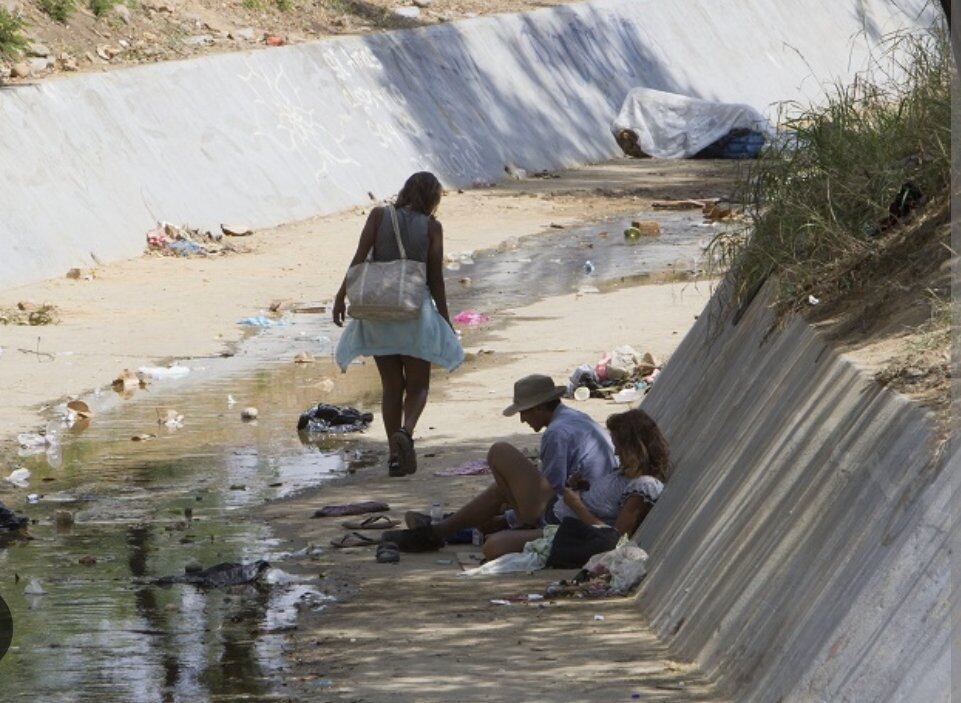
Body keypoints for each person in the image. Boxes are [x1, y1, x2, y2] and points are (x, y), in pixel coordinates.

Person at [383, 373, 619, 552]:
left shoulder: (557, 432)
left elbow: (553, 490)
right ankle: (440, 531)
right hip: (579, 503)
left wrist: (508, 518)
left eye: (524, 412)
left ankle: (443, 530)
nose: (523, 419)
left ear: (538, 408)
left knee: (500, 452)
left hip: (571, 511)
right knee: (500, 491)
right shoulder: (576, 419)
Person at [333, 172, 464, 477]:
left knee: (392, 387)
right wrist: (444, 321)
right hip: (413, 313)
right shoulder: (433, 228)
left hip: (379, 312)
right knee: (418, 385)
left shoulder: (379, 215)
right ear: (433, 198)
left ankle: (395, 455)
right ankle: (406, 431)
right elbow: (435, 279)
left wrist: (341, 296)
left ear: (406, 190)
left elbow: (359, 259)